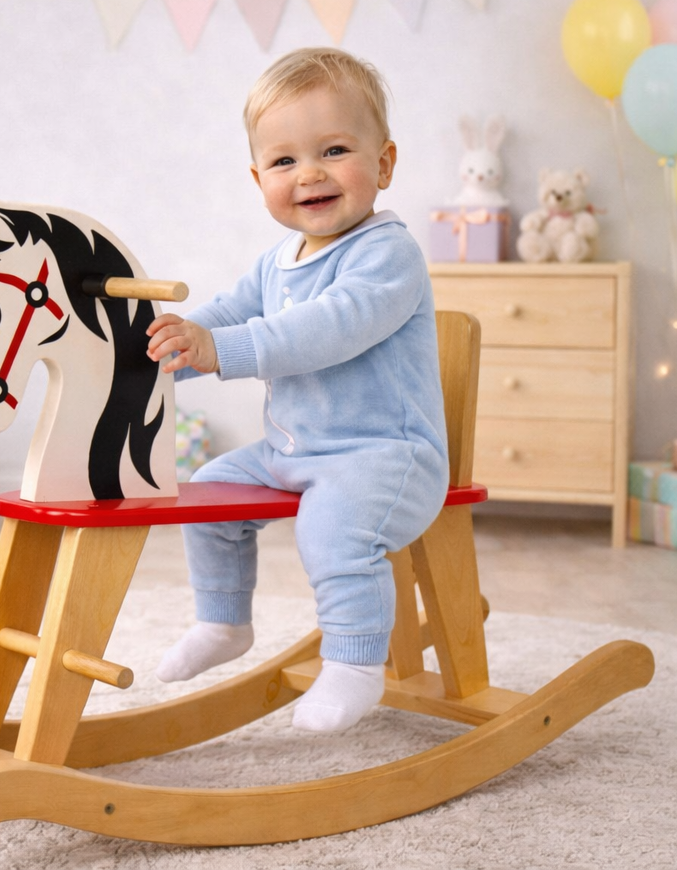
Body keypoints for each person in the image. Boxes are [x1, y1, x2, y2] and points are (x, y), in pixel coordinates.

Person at [145, 47, 450, 732]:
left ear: (384, 164)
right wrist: (177, 344)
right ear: (259, 179)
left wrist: (221, 351)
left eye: (334, 150)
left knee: (332, 526)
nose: (309, 173)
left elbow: (327, 329)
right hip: (293, 450)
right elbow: (226, 314)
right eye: (284, 161)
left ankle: (353, 664)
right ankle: (223, 620)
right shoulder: (277, 261)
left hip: (384, 456)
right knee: (211, 492)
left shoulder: (387, 254)